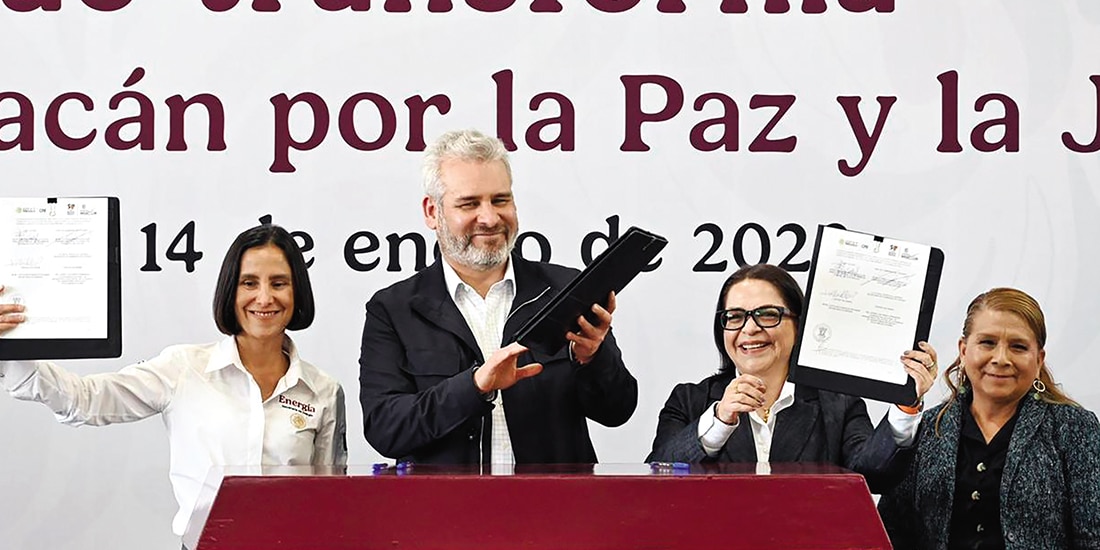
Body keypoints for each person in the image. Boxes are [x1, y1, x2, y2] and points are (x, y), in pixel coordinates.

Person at [0, 224, 347, 539]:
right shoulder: (183, 368)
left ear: (297, 291)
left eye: (279, 283)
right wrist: (9, 347)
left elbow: (331, 501)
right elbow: (85, 401)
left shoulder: (323, 391)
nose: (264, 298)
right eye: (249, 282)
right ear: (230, 289)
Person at [358, 129, 638, 465]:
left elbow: (618, 410)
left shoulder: (565, 289)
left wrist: (593, 359)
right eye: (469, 203)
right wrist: (475, 386)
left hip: (555, 512)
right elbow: (385, 428)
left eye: (500, 200)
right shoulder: (393, 308)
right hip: (446, 513)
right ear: (432, 212)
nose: (490, 218)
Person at [647, 263, 937, 490]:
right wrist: (720, 420)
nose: (749, 329)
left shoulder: (839, 404)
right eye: (734, 316)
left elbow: (874, 476)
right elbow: (657, 478)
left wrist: (905, 403)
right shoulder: (689, 401)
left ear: (799, 326)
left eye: (767, 314)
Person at [878, 287, 1100, 549]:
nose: (1001, 358)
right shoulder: (926, 429)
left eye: (1018, 347)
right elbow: (890, 532)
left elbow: (1092, 538)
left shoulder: (1074, 428)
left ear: (1039, 360)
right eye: (987, 343)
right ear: (963, 350)